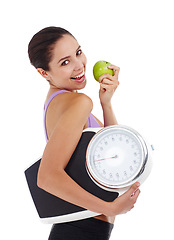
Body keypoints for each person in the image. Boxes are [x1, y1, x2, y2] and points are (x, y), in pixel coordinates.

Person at [28, 26, 140, 240]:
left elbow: (115, 151)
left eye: (78, 52)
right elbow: (47, 177)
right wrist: (110, 208)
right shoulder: (78, 102)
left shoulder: (62, 103)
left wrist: (106, 103)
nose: (79, 66)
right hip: (80, 230)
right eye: (65, 62)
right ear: (44, 73)